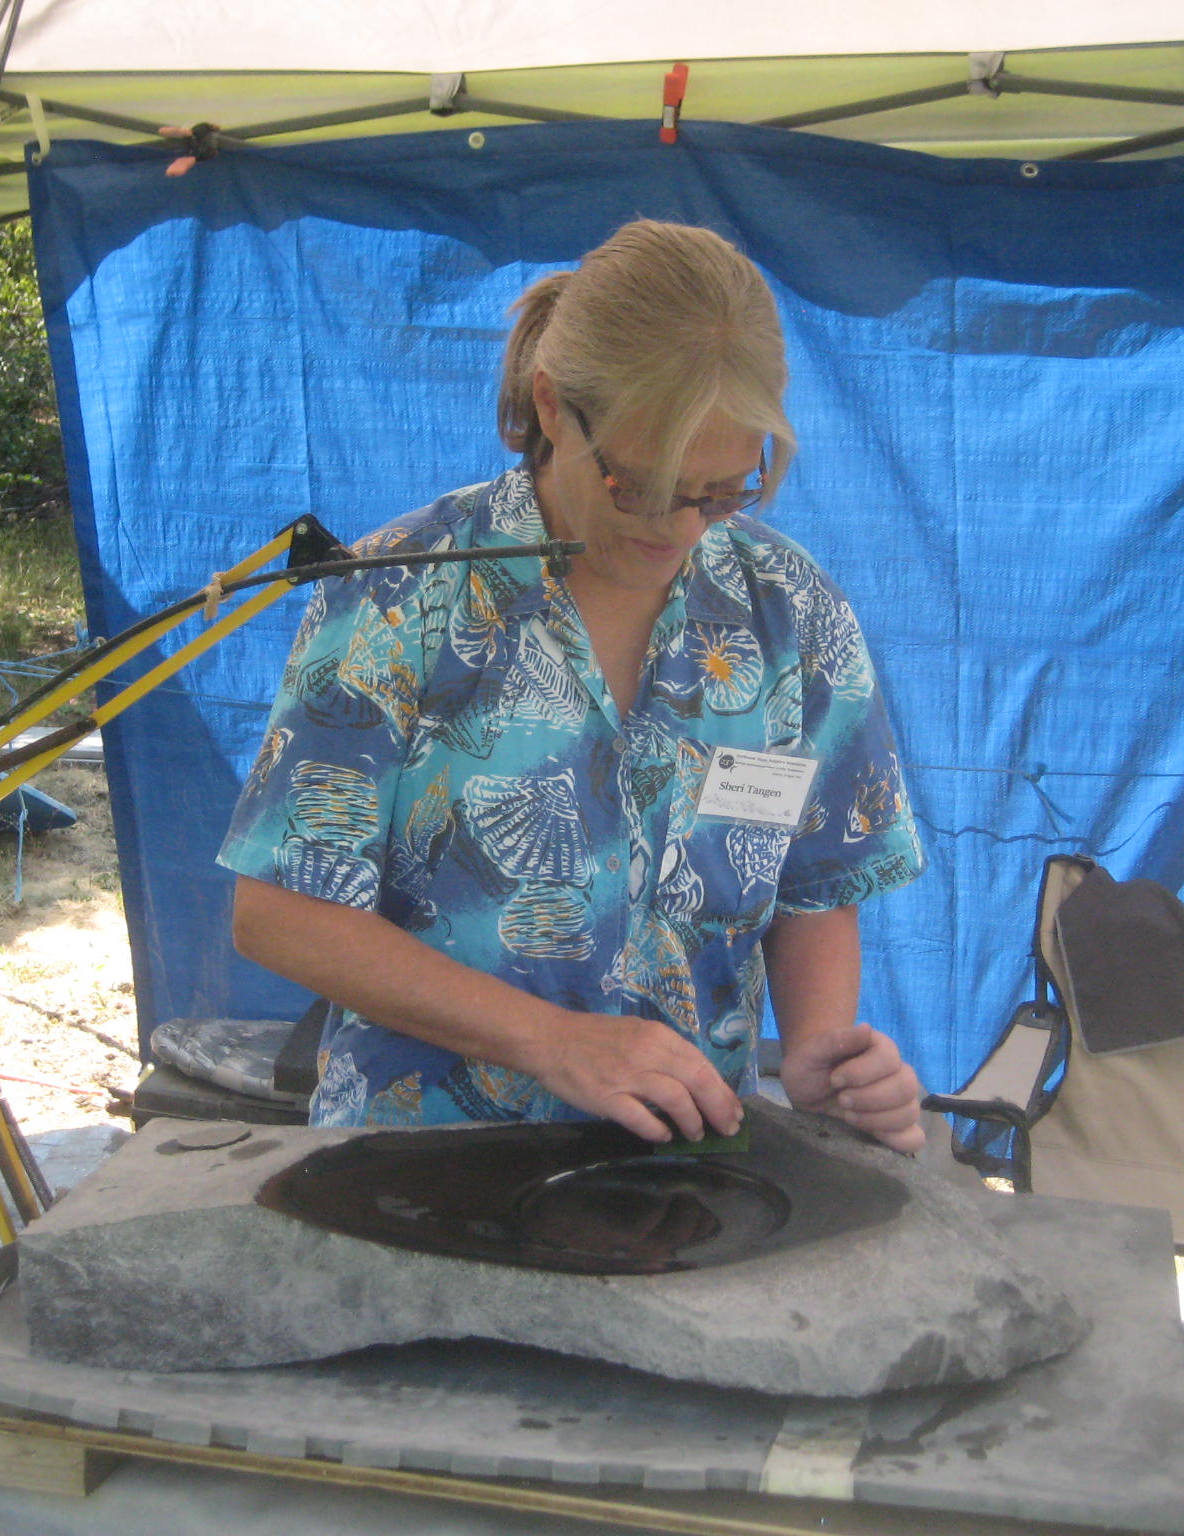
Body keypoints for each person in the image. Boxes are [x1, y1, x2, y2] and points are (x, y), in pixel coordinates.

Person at [218, 220, 928, 1150]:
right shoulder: (401, 594)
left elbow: (817, 884)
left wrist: (821, 1052)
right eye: (640, 485)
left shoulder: (789, 612)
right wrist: (551, 1043)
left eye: (721, 493)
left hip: (682, 1172)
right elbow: (280, 915)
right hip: (421, 1164)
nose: (680, 528)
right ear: (553, 408)